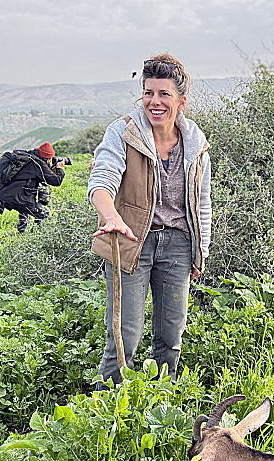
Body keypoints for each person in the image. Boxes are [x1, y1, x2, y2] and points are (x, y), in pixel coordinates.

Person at [87, 53, 212, 388]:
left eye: (164, 94)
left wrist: (200, 253)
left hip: (178, 246)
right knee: (125, 336)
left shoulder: (196, 145)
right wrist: (110, 216)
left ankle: (158, 405)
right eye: (148, 93)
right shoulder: (125, 132)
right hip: (130, 242)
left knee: (171, 337)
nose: (154, 102)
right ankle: (104, 411)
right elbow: (102, 180)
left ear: (181, 101)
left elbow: (201, 203)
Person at [0, 142, 65, 233]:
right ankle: (36, 238)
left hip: (6, 193)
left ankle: (22, 233)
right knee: (43, 213)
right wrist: (59, 168)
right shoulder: (38, 164)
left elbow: (34, 175)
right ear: (47, 158)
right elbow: (56, 181)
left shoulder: (29, 158)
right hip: (16, 197)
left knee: (25, 209)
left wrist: (50, 169)